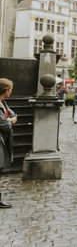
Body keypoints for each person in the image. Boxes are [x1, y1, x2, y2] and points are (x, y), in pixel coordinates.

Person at [0, 78, 17, 208]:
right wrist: (10, 120)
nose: (11, 91)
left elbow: (14, 115)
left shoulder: (3, 103)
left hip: (4, 140)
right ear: (6, 90)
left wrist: (10, 119)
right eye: (10, 89)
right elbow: (5, 124)